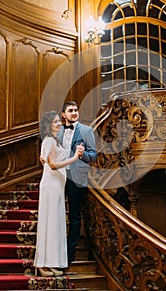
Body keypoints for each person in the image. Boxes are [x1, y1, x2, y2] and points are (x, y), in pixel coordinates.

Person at [34, 110, 84, 277]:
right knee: (49, 224)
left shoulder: (54, 141)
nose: (59, 124)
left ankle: (52, 263)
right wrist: (75, 157)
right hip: (51, 185)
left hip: (57, 186)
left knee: (56, 225)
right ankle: (42, 264)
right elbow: (54, 165)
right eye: (55, 122)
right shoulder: (48, 140)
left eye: (58, 121)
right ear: (48, 125)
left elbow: (49, 159)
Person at [57, 101, 97, 264]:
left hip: (76, 177)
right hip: (57, 177)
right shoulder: (57, 131)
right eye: (70, 110)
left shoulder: (87, 131)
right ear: (63, 114)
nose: (74, 113)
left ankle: (70, 252)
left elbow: (94, 156)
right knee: (56, 214)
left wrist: (82, 155)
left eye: (76, 110)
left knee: (74, 215)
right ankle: (56, 251)